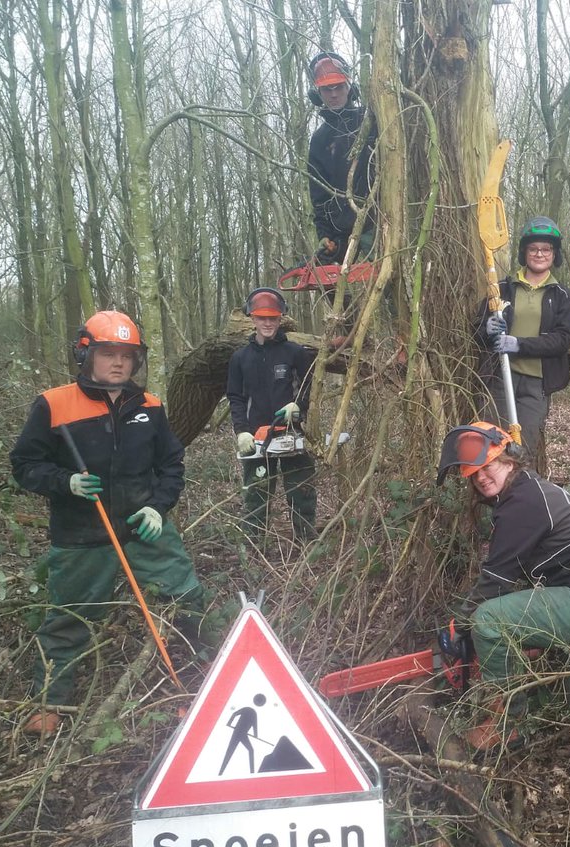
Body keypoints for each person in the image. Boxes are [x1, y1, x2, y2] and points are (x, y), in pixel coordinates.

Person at [10, 311, 205, 736]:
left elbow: (171, 465)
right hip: (83, 534)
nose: (118, 363)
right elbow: (24, 465)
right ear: (86, 354)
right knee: (69, 619)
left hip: (142, 526)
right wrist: (67, 482)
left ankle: (200, 682)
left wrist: (159, 506)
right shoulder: (54, 404)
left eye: (127, 355)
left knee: (188, 597)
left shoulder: (149, 406)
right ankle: (50, 703)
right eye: (107, 353)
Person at [436, 422, 570, 750]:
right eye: (474, 475)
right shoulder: (529, 491)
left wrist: (459, 626)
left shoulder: (523, 502)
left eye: (487, 467)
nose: (481, 478)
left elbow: (496, 581)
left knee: (489, 621)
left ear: (508, 458)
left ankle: (511, 725)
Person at [475, 216, 570, 457]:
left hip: (536, 385)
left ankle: (522, 495)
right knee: (492, 450)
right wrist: (487, 328)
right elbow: (477, 330)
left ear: (554, 254)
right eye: (533, 248)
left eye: (545, 249)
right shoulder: (502, 287)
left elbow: (562, 339)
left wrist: (518, 344)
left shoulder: (562, 295)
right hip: (499, 379)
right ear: (524, 252)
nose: (539, 254)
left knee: (523, 453)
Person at [226, 287, 318, 544]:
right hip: (256, 437)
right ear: (252, 319)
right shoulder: (240, 358)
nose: (267, 323)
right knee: (257, 495)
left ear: (280, 319)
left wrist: (299, 407)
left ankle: (306, 543)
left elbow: (310, 386)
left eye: (273, 318)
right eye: (262, 318)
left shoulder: (295, 353)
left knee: (302, 491)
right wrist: (241, 430)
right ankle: (256, 546)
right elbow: (236, 396)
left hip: (291, 433)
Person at [307, 52, 376, 264]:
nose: (334, 94)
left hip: (378, 220)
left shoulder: (369, 120)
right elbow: (319, 194)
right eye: (328, 89)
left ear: (349, 88)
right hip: (341, 230)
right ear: (319, 93)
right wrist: (324, 235)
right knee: (327, 277)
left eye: (339, 87)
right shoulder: (319, 140)